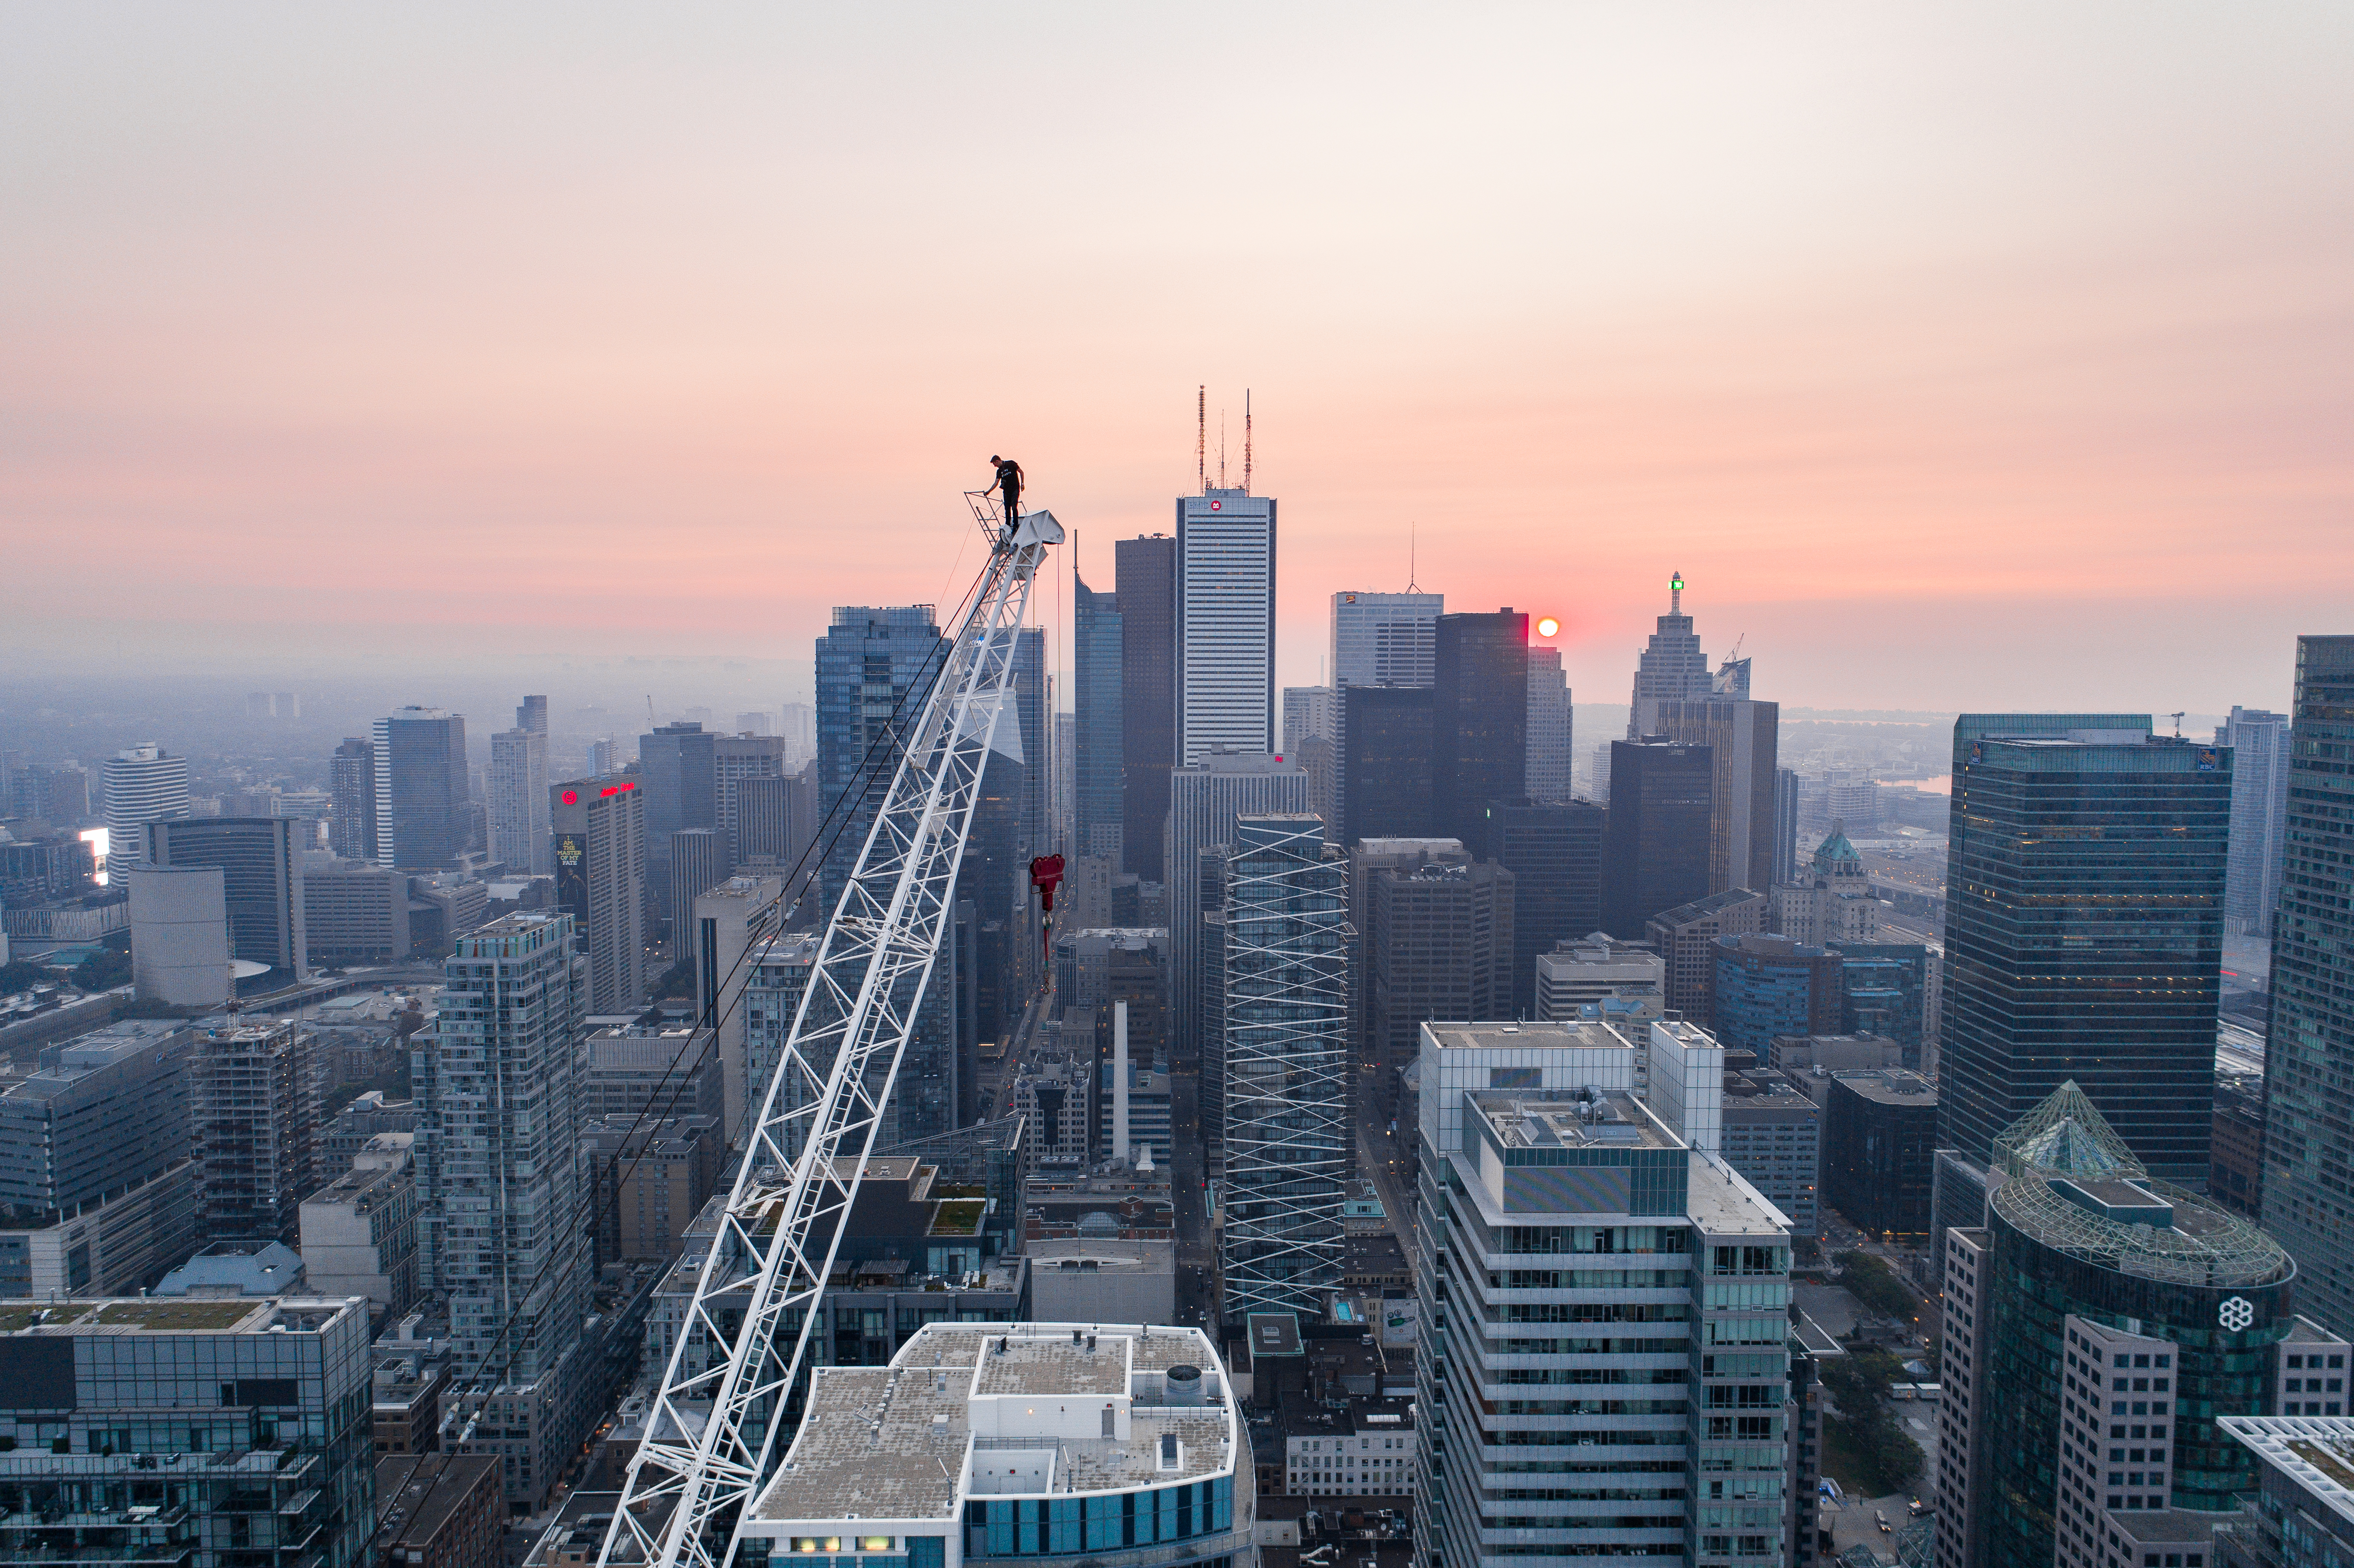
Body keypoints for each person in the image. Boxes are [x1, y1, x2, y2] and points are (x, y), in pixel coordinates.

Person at [989, 454, 1024, 523]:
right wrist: (989, 491)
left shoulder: (1011, 464)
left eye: (995, 464)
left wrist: (1022, 484)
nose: (995, 466)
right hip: (1007, 491)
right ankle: (1007, 524)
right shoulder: (999, 471)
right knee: (1007, 508)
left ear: (997, 461)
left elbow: (1022, 473)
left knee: (1014, 506)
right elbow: (996, 483)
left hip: (1015, 489)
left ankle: (1016, 524)